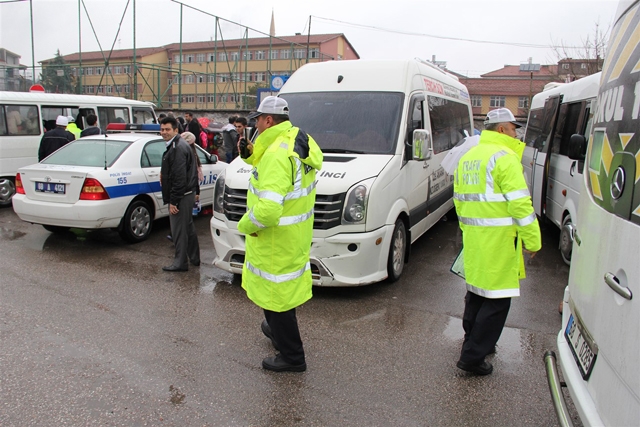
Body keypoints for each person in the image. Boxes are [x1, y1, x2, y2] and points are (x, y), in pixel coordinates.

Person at [453, 108, 541, 375]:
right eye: (514, 128)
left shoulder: (469, 156)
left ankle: (472, 341)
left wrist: (467, 230)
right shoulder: (505, 157)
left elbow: (458, 198)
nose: (517, 133)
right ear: (502, 129)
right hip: (499, 240)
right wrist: (533, 240)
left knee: (478, 293)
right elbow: (521, 205)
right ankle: (473, 356)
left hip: (475, 237)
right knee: (498, 299)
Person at [238, 96, 323, 372]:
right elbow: (277, 173)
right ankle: (275, 331)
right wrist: (249, 154)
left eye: (258, 121)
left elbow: (267, 212)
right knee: (280, 294)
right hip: (292, 237)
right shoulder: (296, 140)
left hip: (275, 239)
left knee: (277, 298)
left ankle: (292, 357)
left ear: (268, 120)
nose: (256, 126)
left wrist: (244, 226)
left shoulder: (276, 154)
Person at [159, 116, 200, 272]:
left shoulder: (177, 147)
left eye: (167, 129)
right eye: (162, 129)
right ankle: (194, 257)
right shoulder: (178, 145)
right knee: (187, 227)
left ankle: (180, 262)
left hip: (182, 195)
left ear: (176, 130)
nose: (164, 132)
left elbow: (179, 177)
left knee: (179, 231)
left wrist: (174, 201)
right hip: (186, 193)